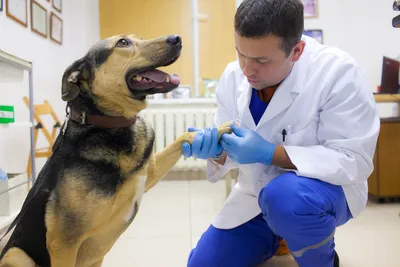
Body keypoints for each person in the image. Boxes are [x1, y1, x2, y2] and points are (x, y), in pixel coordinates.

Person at [181, 0, 380, 266]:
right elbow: (228, 156)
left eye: (261, 60)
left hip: (321, 193)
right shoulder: (233, 76)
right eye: (240, 53)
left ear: (296, 50)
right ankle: (276, 236)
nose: (246, 70)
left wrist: (269, 153)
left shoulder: (338, 73)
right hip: (254, 196)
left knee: (285, 199)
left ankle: (322, 257)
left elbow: (354, 160)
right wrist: (216, 151)